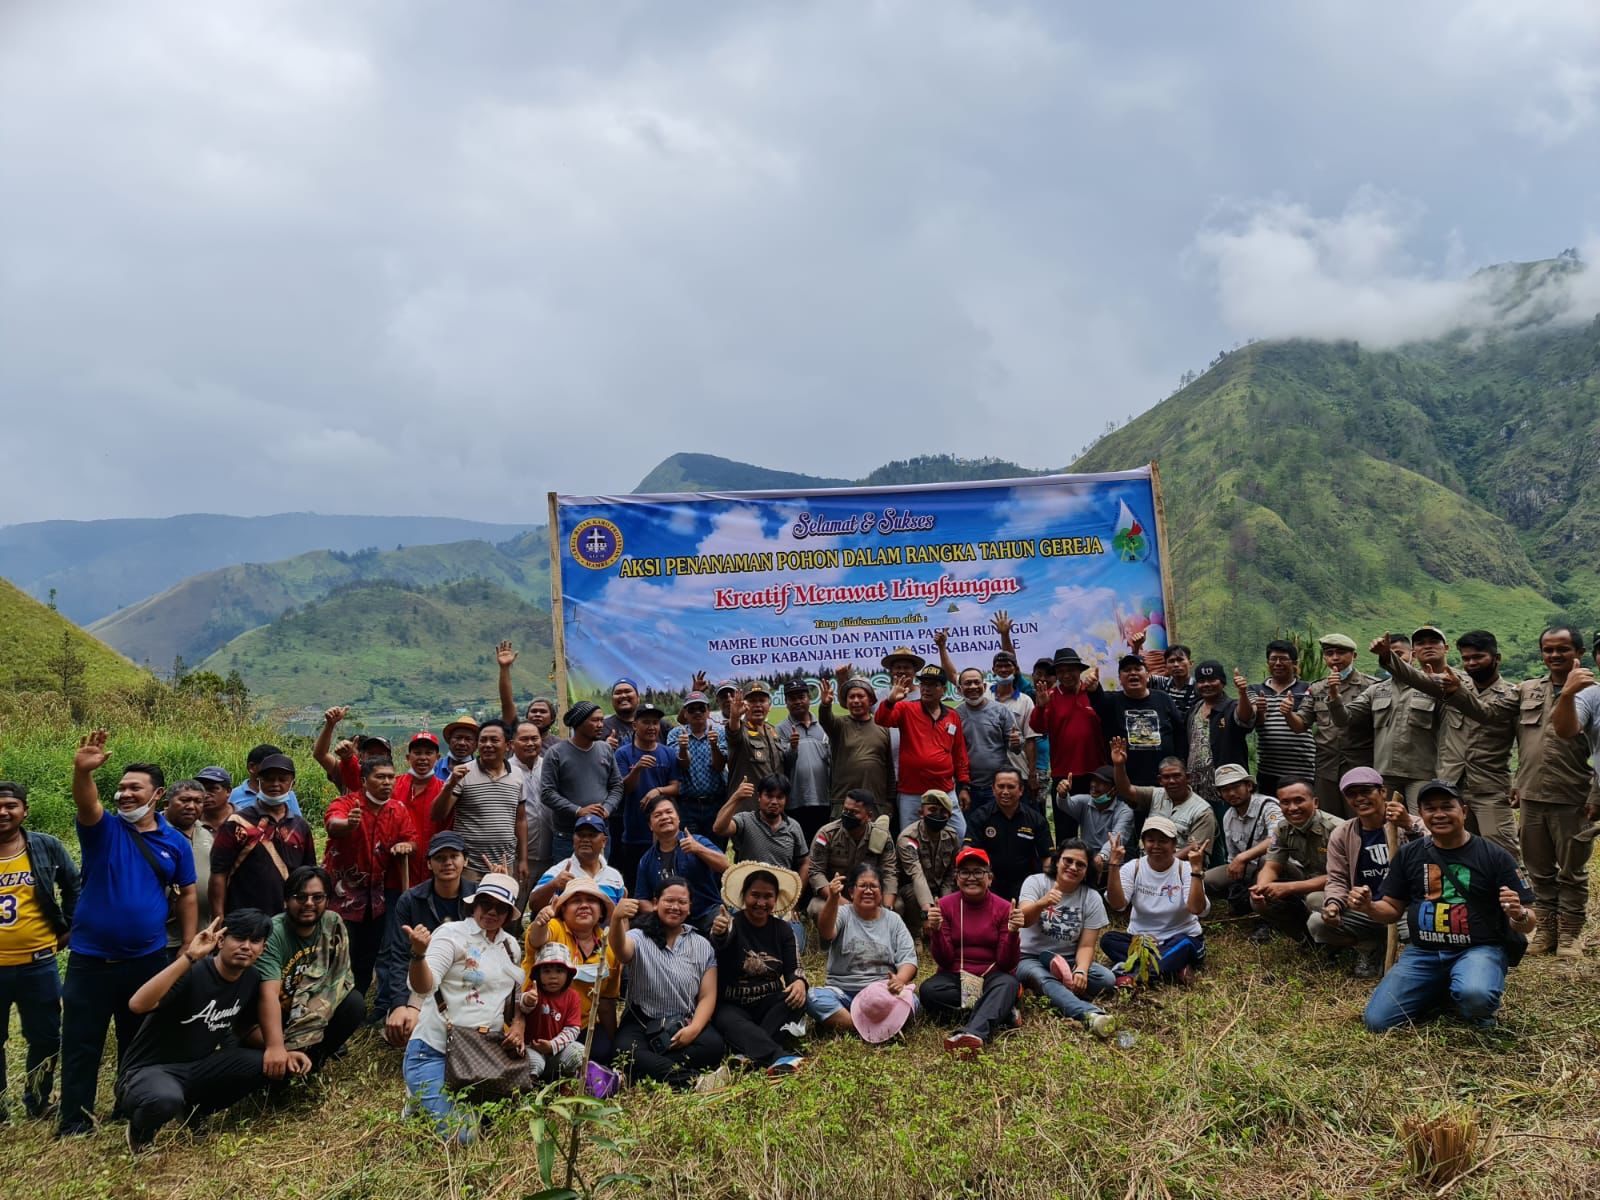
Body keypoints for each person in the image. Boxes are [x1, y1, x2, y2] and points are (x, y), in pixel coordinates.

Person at [59, 732, 198, 1138]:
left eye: (135, 788)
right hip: (90, 959)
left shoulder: (175, 842)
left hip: (147, 959)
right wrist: (82, 772)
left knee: (136, 1040)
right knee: (82, 1040)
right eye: (121, 787)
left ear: (157, 795)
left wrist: (188, 944)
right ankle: (74, 1119)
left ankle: (128, 1105)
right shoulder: (103, 829)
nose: (124, 794)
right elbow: (87, 803)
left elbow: (188, 893)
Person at [1353, 781, 1537, 1032]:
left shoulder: (1494, 856)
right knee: (1377, 1022)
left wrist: (1518, 914)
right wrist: (1369, 907)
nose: (1439, 814)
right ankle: (1441, 988)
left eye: (1447, 807)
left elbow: (1528, 921)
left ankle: (1472, 1000)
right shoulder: (1409, 854)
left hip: (1478, 949)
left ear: (1464, 811)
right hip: (1424, 952)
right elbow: (1391, 910)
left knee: (1476, 996)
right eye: (1430, 808)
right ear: (1422, 814)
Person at [116, 910, 281, 1153]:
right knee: (164, 1098)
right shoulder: (193, 972)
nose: (246, 946)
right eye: (239, 938)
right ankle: (141, 1134)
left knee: (263, 1063)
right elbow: (137, 1004)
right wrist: (189, 957)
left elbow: (245, 1027)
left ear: (263, 948)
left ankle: (194, 1112)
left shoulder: (251, 979)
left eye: (255, 941)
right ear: (221, 940)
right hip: (147, 1072)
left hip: (197, 1068)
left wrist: (283, 1050)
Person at [400, 872, 526, 1141]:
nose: (492, 912)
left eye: (501, 908)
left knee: (505, 1121)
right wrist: (418, 955)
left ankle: (435, 1102)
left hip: (481, 1052)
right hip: (435, 1051)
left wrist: (518, 1024)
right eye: (486, 903)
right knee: (465, 1136)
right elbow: (423, 986)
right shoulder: (451, 935)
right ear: (474, 904)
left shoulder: (510, 946)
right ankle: (419, 1095)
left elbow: (515, 998)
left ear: (508, 914)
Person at [1382, 629, 1519, 854]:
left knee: (1501, 849)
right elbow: (1417, 680)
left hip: (1489, 788)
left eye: (1478, 657)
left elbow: (1525, 742)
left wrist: (1520, 781)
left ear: (1496, 658)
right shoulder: (1453, 685)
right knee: (1454, 850)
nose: (1472, 663)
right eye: (1466, 658)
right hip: (1451, 787)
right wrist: (1388, 657)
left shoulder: (1512, 696)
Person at [1517, 624, 1600, 956]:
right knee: (1538, 870)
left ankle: (1569, 934)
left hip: (1573, 796)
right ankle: (1545, 931)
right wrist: (1516, 781)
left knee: (1572, 871)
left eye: (1562, 649)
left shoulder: (1592, 693)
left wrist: (1596, 794)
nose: (1554, 655)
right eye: (1548, 649)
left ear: (1579, 653)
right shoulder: (1527, 690)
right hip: (1531, 795)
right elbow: (1516, 739)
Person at [0, 781, 78, 1121]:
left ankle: (37, 1100)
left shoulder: (46, 846)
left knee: (46, 1037)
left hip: (38, 963)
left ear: (25, 811)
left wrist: (69, 928)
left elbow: (74, 886)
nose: (3, 812)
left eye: (11, 806)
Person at [1308, 768, 1423, 978]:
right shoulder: (1342, 834)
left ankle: (1409, 955)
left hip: (1406, 909)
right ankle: (1370, 946)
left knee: (1421, 943)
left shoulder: (1410, 822)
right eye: (1352, 794)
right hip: (1366, 909)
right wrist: (1333, 905)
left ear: (1383, 792)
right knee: (1318, 922)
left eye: (1366, 791)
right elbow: (1337, 879)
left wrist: (1408, 826)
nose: (1360, 798)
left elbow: (1436, 856)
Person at [323, 756, 417, 1007]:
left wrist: (406, 845)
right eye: (380, 777)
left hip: (376, 900)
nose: (387, 782)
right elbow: (333, 824)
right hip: (341, 899)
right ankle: (329, 1007)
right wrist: (348, 824)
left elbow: (411, 838)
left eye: (391, 777)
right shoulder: (346, 803)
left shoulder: (397, 809)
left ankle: (355, 1005)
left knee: (367, 956)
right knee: (339, 954)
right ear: (364, 781)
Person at [610, 882, 724, 1088]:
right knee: (624, 1053)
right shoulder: (638, 937)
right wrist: (617, 919)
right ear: (655, 903)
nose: (675, 907)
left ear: (690, 907)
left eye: (682, 902)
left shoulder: (702, 944)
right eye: (669, 900)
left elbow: (707, 996)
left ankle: (645, 1070)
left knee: (713, 1047)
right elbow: (620, 951)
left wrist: (694, 1029)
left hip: (683, 1022)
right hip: (641, 1022)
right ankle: (692, 1081)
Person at [256, 866, 363, 1079]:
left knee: (354, 1004)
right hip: (277, 1015)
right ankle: (287, 1058)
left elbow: (339, 977)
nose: (309, 903)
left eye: (317, 897)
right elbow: (268, 995)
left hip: (313, 1007)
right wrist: (277, 1047)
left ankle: (314, 1060)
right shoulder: (274, 934)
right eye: (300, 897)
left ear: (327, 900)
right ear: (286, 900)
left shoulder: (332, 923)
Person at [1329, 629, 1453, 810]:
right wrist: (1334, 696)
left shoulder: (1431, 687)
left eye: (1399, 654)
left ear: (1412, 655)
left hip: (1421, 773)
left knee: (1419, 821)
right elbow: (1344, 720)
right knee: (1387, 821)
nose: (1395, 660)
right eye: (1390, 655)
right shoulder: (1376, 690)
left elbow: (1447, 735)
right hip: (1384, 773)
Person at [922, 847, 1023, 1056]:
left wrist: (1013, 933)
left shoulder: (1004, 908)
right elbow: (944, 960)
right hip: (955, 978)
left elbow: (1007, 964)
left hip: (992, 977)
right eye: (965, 872)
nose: (971, 878)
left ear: (990, 878)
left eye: (978, 872)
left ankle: (973, 1033)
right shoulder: (945, 906)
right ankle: (1000, 1011)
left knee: (1008, 984)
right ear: (957, 878)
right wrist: (937, 931)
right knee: (929, 992)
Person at [379, 832, 476, 1048]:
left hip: (466, 979)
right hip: (422, 978)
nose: (448, 863)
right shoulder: (411, 900)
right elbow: (399, 955)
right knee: (404, 1029)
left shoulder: (479, 898)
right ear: (429, 864)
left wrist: (501, 886)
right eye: (440, 858)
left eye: (454, 856)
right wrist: (399, 1004)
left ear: (466, 860)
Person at [710, 863, 807, 1075]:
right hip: (733, 1004)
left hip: (769, 1003)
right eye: (755, 895)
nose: (761, 903)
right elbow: (721, 942)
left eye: (768, 896)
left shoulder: (783, 929)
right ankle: (777, 1056)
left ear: (776, 899)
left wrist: (799, 982)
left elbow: (794, 968)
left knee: (796, 1000)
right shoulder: (732, 924)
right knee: (725, 1019)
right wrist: (719, 933)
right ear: (744, 895)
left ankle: (748, 1055)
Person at [806, 862, 919, 1040]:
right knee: (813, 997)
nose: (868, 891)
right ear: (851, 892)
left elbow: (908, 959)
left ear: (881, 892)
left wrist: (900, 980)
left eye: (873, 886)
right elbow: (826, 932)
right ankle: (866, 1027)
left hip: (882, 996)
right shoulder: (843, 913)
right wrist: (833, 898)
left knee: (913, 1002)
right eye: (862, 886)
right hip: (843, 993)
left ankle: (864, 1024)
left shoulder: (894, 920)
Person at [1016, 841, 1117, 1038]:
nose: (1073, 867)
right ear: (1057, 861)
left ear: (1087, 870)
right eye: (1068, 861)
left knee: (1106, 979)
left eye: (1080, 864)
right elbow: (1023, 920)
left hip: (1067, 960)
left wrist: (1081, 970)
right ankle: (1090, 1014)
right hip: (1028, 956)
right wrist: (1042, 903)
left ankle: (1056, 986)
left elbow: (1086, 945)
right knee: (1041, 977)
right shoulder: (1036, 882)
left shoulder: (1091, 897)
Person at [1102, 817, 1209, 989]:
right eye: (1151, 840)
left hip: (1180, 938)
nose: (1156, 846)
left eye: (1163, 841)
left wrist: (1196, 870)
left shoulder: (1185, 869)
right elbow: (1118, 904)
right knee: (1108, 940)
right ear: (1143, 843)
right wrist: (1114, 865)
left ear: (1174, 845)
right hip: (1143, 942)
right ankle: (1174, 967)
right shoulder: (1133, 867)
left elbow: (1196, 909)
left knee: (1185, 944)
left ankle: (1135, 976)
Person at [526, 877, 622, 1063]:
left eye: (591, 900)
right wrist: (541, 922)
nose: (584, 905)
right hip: (540, 1022)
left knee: (602, 1052)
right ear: (563, 909)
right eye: (576, 901)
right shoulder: (554, 927)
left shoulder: (608, 946)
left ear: (601, 911)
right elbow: (537, 940)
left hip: (579, 1025)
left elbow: (606, 1001)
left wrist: (614, 1046)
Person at [208, 752, 315, 917]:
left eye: (282, 779)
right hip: (244, 917)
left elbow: (308, 873)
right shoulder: (236, 823)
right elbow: (218, 873)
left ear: (292, 784)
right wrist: (218, 918)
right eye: (269, 779)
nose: (275, 784)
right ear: (259, 782)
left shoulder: (300, 826)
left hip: (288, 919)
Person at [1288, 634, 1381, 819]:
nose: (1335, 658)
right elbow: (1301, 725)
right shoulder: (1316, 688)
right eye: (1329, 653)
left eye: (1340, 653)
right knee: (1328, 819)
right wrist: (1287, 713)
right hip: (1327, 766)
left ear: (1354, 656)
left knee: (1362, 817)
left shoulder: (1371, 686)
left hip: (1359, 764)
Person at [877, 661, 972, 838]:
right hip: (912, 792)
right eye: (924, 684)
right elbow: (882, 720)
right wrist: (890, 701)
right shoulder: (906, 708)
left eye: (933, 684)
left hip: (945, 789)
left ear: (944, 690)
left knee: (960, 834)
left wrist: (964, 785)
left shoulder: (952, 715)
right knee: (910, 839)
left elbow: (959, 753)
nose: (926, 689)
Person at [1247, 779, 1344, 942]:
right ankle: (1304, 937)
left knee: (1314, 899)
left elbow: (1342, 877)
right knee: (1260, 895)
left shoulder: (1338, 830)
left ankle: (1341, 942)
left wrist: (1290, 887)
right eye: (1285, 802)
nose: (1292, 808)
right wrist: (1261, 888)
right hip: (1307, 879)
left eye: (1299, 800)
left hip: (1340, 888)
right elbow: (1271, 866)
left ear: (1315, 802)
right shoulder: (1282, 828)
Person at [432, 718, 524, 886]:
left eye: (494, 740)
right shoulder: (463, 773)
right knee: (467, 903)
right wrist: (450, 784)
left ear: (508, 745)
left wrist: (523, 859)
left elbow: (520, 819)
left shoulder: (517, 775)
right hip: (469, 865)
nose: (487, 745)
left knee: (501, 903)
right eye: (483, 740)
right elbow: (437, 815)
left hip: (505, 863)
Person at [933, 635, 1017, 812]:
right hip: (966, 788)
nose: (972, 687)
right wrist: (963, 786)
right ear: (959, 689)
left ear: (984, 687)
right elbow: (951, 752)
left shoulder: (1001, 711)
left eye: (976, 682)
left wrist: (1017, 742)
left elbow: (1016, 748)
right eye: (967, 683)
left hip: (997, 788)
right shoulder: (954, 715)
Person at [1030, 647, 1105, 840]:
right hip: (1064, 774)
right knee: (1065, 832)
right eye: (1061, 671)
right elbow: (1038, 727)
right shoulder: (1050, 696)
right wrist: (1040, 706)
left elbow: (1108, 718)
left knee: (1098, 829)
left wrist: (1097, 692)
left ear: (1079, 670)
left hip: (1095, 773)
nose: (1066, 675)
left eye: (1070, 670)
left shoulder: (1092, 692)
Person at [541, 702, 623, 864]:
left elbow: (617, 785)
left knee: (599, 878)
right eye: (595, 720)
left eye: (601, 720)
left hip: (600, 832)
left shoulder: (605, 749)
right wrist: (578, 811)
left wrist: (607, 808)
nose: (600, 725)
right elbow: (547, 793)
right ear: (578, 723)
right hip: (568, 836)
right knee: (568, 878)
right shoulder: (556, 753)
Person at [1086, 653, 1184, 788]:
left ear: (1147, 675)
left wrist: (1180, 763)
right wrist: (1094, 689)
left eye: (1138, 669)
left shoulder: (1163, 698)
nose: (1132, 673)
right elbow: (1098, 700)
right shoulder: (1111, 702)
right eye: (1127, 670)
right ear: (1120, 679)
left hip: (1165, 781)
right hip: (1126, 783)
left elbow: (1180, 732)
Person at [634, 795, 729, 933]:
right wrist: (662, 912)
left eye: (669, 812)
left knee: (726, 928)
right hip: (668, 918)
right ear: (650, 825)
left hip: (706, 913)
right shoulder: (646, 860)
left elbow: (726, 865)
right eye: (658, 815)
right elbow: (642, 899)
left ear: (678, 818)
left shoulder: (697, 841)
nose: (664, 817)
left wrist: (698, 849)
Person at [1109, 739, 1218, 852]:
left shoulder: (1202, 811)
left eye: (1177, 776)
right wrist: (1119, 765)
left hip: (1181, 862)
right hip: (1148, 858)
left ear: (1188, 778)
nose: (1172, 781)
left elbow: (1196, 850)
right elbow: (1125, 790)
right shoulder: (1155, 795)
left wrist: (1160, 861)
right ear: (1160, 780)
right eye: (1166, 777)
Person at [613, 702, 680, 885]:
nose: (652, 727)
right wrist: (637, 769)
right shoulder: (622, 754)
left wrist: (657, 791)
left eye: (655, 723)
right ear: (635, 725)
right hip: (634, 831)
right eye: (646, 722)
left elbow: (676, 787)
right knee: (635, 882)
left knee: (665, 882)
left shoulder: (668, 753)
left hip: (664, 832)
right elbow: (623, 789)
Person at [1185, 661, 1255, 834]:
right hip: (1197, 789)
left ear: (1222, 682)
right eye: (1202, 681)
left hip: (1226, 788)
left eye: (1212, 679)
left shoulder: (1231, 706)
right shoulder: (1195, 709)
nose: (1206, 684)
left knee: (1229, 833)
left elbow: (1244, 718)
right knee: (1203, 835)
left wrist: (1242, 693)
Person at [1202, 765, 1282, 913]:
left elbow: (1277, 839)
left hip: (1277, 866)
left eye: (1236, 787)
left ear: (1249, 786)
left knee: (1266, 860)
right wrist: (1236, 865)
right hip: (1249, 869)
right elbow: (1232, 858)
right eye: (1225, 790)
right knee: (1206, 881)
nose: (1231, 793)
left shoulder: (1268, 806)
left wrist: (1243, 857)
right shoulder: (1228, 817)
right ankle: (1243, 901)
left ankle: (1269, 912)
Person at [806, 790, 898, 919]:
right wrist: (845, 904)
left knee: (897, 906)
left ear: (869, 816)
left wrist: (887, 909)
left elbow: (889, 873)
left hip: (869, 894)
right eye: (845, 810)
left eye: (854, 812)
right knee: (817, 908)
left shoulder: (881, 837)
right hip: (836, 895)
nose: (847, 815)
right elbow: (816, 872)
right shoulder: (827, 834)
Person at [962, 768, 1048, 902]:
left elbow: (1047, 858)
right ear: (993, 789)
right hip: (988, 883)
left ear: (1021, 790)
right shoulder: (980, 816)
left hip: (1026, 885)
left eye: (1011, 787)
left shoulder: (1036, 820)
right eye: (1001, 786)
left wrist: (1048, 887)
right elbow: (968, 850)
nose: (1005, 792)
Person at [818, 667, 895, 815]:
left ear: (871, 700)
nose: (856, 701)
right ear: (846, 702)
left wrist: (890, 801)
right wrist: (825, 705)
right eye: (851, 697)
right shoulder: (839, 725)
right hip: (843, 802)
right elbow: (825, 719)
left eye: (861, 696)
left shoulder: (882, 727)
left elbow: (888, 767)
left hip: (877, 803)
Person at [1246, 641, 1316, 796]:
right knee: (1270, 808)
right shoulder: (1255, 689)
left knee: (1300, 807)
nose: (1278, 663)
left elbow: (1303, 724)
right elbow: (1254, 721)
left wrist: (1288, 713)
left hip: (1302, 769)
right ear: (1268, 663)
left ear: (1294, 663)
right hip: (1268, 770)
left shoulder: (1308, 689)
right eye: (1273, 659)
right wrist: (1260, 711)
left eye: (1283, 659)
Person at [714, 773, 810, 881]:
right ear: (759, 797)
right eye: (769, 796)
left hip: (781, 890)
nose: (774, 802)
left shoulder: (793, 827)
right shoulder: (745, 820)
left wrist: (797, 889)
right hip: (748, 888)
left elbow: (805, 862)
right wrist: (736, 798)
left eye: (779, 797)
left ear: (786, 800)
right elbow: (719, 828)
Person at [894, 789, 961, 939]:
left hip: (939, 889)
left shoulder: (952, 837)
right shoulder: (908, 838)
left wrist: (944, 903)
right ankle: (915, 933)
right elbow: (916, 874)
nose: (937, 814)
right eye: (932, 810)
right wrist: (927, 913)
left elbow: (951, 874)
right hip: (911, 890)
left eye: (943, 812)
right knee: (911, 894)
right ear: (921, 812)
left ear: (949, 816)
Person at [1053, 766, 1135, 890]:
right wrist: (1062, 794)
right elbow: (1065, 804)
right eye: (1094, 780)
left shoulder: (1124, 811)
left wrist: (1102, 857)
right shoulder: (1085, 801)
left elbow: (1116, 839)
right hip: (1087, 861)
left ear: (1114, 789)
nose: (1094, 785)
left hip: (1112, 864)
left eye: (1102, 782)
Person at [528, 813, 627, 912]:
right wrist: (553, 885)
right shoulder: (558, 872)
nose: (585, 840)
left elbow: (619, 915)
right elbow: (534, 905)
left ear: (604, 841)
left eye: (592, 835)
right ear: (573, 839)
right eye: (581, 835)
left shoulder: (614, 876)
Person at [515, 944, 585, 1081]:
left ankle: (568, 1083)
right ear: (538, 974)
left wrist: (552, 1045)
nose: (553, 976)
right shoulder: (534, 992)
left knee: (579, 1052)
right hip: (532, 1048)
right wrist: (528, 1000)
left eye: (559, 971)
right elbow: (523, 1007)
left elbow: (572, 1029)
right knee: (536, 1063)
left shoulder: (573, 997)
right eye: (546, 971)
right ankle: (529, 1087)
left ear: (568, 974)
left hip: (558, 1050)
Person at [664, 692, 728, 841]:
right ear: (685, 714)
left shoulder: (719, 732)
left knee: (717, 849)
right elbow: (683, 764)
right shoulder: (676, 734)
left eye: (701, 708)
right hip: (688, 805)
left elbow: (719, 766)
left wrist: (714, 746)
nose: (697, 712)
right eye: (691, 709)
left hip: (716, 803)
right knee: (689, 849)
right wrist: (683, 748)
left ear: (708, 712)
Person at [778, 680, 833, 843]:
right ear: (786, 702)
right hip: (795, 801)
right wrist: (792, 748)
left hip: (824, 799)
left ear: (809, 698)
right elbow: (783, 764)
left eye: (801, 697)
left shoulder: (824, 725)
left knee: (822, 845)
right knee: (800, 848)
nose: (797, 702)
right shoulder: (780, 729)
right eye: (792, 698)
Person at [160, 780, 209, 949]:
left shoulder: (207, 833)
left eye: (198, 801)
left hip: (202, 934)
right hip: (164, 937)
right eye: (184, 800)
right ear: (166, 804)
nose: (191, 806)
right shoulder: (153, 833)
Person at [392, 732, 444, 881]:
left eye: (428, 753)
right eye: (417, 753)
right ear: (408, 757)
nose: (423, 758)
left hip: (432, 872)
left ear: (438, 758)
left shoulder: (444, 790)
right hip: (395, 869)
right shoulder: (393, 786)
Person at [725, 685, 786, 810]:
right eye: (752, 701)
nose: (758, 705)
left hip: (773, 808)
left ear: (769, 706)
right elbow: (733, 733)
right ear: (744, 705)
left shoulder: (772, 730)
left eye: (762, 701)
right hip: (747, 809)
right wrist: (734, 716)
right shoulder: (740, 729)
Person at [229, 744, 305, 818]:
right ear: (252, 767)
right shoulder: (232, 796)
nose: (275, 770)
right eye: (268, 765)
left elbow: (297, 822)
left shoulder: (287, 794)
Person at [601, 678, 646, 750]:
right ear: (612, 700)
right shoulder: (601, 727)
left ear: (638, 698)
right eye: (618, 693)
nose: (623, 695)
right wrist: (603, 747)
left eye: (628, 691)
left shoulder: (657, 724)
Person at [434, 715, 480, 781]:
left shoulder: (480, 770)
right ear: (449, 740)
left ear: (476, 744)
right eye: (458, 738)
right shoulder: (435, 766)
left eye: (468, 739)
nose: (462, 743)